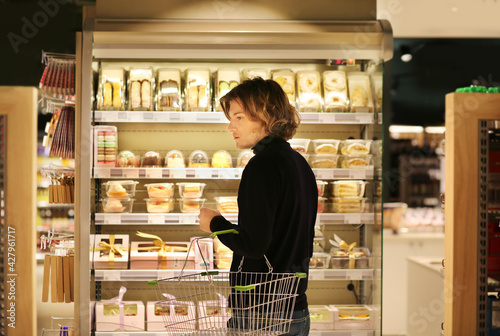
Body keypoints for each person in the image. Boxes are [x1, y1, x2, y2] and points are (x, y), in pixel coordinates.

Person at [198, 77, 318, 336]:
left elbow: (254, 245)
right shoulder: (299, 164)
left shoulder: (262, 166)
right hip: (296, 309)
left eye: (239, 117)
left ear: (267, 116)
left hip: (261, 314)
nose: (231, 126)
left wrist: (214, 224)